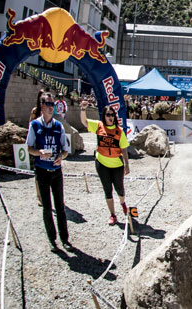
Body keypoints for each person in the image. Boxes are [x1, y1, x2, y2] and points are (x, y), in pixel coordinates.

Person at [26, 92, 72, 251]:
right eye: (48, 104)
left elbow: (65, 150)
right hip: (42, 171)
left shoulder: (58, 126)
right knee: (47, 207)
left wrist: (61, 157)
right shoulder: (35, 125)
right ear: (42, 105)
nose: (51, 107)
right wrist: (39, 153)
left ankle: (65, 239)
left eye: (53, 104)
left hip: (56, 171)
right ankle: (52, 239)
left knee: (60, 206)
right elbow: (28, 148)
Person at [79, 100, 130, 225]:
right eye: (108, 115)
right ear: (104, 116)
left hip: (117, 165)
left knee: (120, 189)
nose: (110, 117)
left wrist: (127, 164)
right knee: (107, 189)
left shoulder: (119, 131)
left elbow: (123, 149)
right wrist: (83, 109)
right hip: (102, 164)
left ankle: (122, 202)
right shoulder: (98, 126)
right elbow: (84, 122)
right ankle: (112, 214)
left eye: (112, 115)